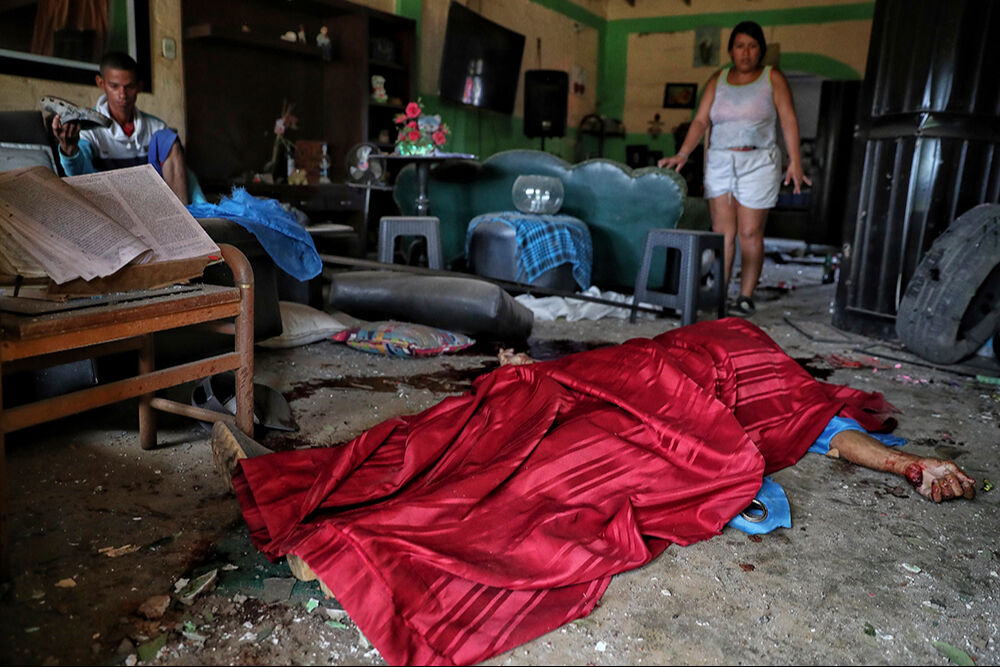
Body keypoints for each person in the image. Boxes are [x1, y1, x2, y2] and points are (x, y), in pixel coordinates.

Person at [209, 318, 974, 666]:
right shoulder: (749, 340)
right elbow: (649, 355)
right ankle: (331, 505)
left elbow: (833, 434)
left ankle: (355, 538)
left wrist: (910, 465)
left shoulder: (802, 398)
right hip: (636, 376)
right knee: (491, 420)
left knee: (555, 472)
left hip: (677, 423)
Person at [659, 21, 812, 316]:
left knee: (750, 233)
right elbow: (702, 121)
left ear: (760, 52)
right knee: (722, 233)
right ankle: (719, 293)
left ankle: (744, 296)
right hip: (720, 161)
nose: (746, 52)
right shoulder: (718, 79)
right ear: (731, 50)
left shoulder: (772, 78)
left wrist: (795, 160)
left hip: (758, 162)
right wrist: (683, 153)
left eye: (753, 46)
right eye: (740, 46)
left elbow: (788, 119)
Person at [51, 51, 197, 203]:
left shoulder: (156, 127)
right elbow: (81, 177)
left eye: (129, 86)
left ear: (139, 86)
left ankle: (184, 218)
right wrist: (70, 151)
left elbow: (183, 175)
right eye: (114, 86)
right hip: (110, 205)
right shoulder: (88, 130)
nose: (122, 95)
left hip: (153, 204)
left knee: (167, 138)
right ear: (101, 83)